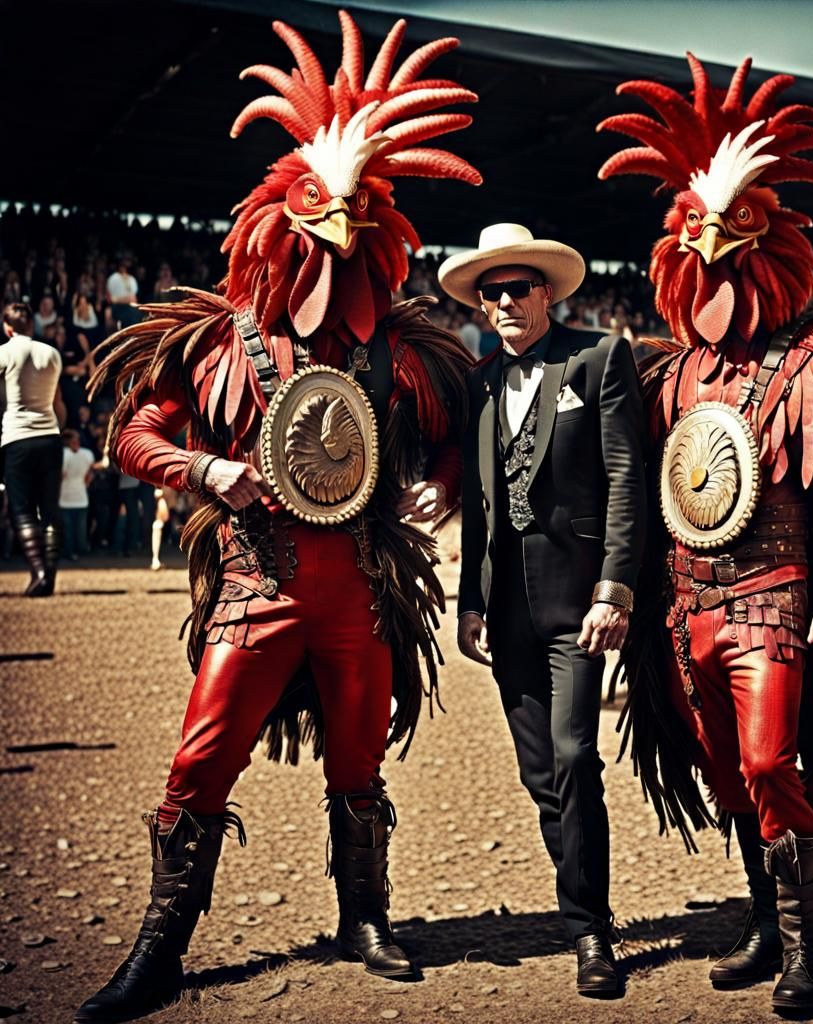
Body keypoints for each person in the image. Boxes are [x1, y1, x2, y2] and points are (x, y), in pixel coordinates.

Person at [74, 14, 481, 1023]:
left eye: (353, 208)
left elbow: (456, 441)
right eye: (316, 203)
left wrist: (442, 484)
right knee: (199, 758)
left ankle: (364, 916)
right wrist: (207, 465)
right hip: (256, 582)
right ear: (279, 209)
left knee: (360, 755)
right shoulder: (219, 342)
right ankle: (159, 949)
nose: (333, 225)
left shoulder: (401, 350)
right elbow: (134, 436)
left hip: (361, 592)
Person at [598, 56, 813, 1013]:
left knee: (766, 763)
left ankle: (804, 951)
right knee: (727, 779)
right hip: (686, 614)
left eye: (733, 224)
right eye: (697, 225)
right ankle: (764, 919)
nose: (712, 243)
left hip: (776, 606)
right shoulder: (667, 376)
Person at [440, 224, 646, 997]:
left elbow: (627, 477)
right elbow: (478, 505)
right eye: (491, 292)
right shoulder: (480, 382)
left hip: (578, 604)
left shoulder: (598, 356)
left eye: (517, 288)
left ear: (548, 292)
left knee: (573, 756)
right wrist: (467, 605)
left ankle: (590, 932)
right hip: (506, 613)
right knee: (541, 776)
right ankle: (585, 912)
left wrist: (614, 588)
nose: (503, 302)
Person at [0, 301, 65, 595]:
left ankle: (38, 572)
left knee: (23, 510)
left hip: (17, 437)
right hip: (50, 435)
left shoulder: (5, 352)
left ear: (7, 327)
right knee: (49, 508)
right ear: (31, 324)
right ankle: (48, 576)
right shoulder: (51, 353)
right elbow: (58, 402)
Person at [60, 428, 94, 559]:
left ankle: (73, 551)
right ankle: (78, 550)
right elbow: (90, 473)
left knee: (73, 528)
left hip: (69, 496)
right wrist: (85, 483)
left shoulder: (64, 454)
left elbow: (61, 476)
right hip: (75, 496)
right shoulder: (87, 454)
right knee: (76, 528)